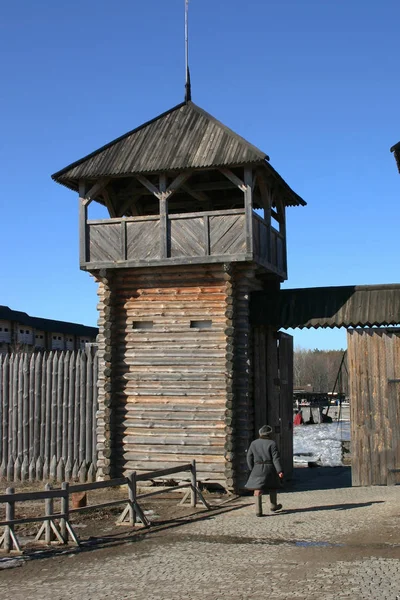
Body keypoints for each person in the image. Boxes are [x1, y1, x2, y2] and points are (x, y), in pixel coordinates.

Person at [245, 425, 284, 517]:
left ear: (260, 433)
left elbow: (249, 457)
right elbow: (276, 459)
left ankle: (258, 511)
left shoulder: (253, 443)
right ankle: (273, 506)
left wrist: (252, 468)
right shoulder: (272, 443)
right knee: (273, 486)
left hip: (257, 467)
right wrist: (279, 471)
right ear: (269, 434)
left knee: (257, 488)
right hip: (269, 468)